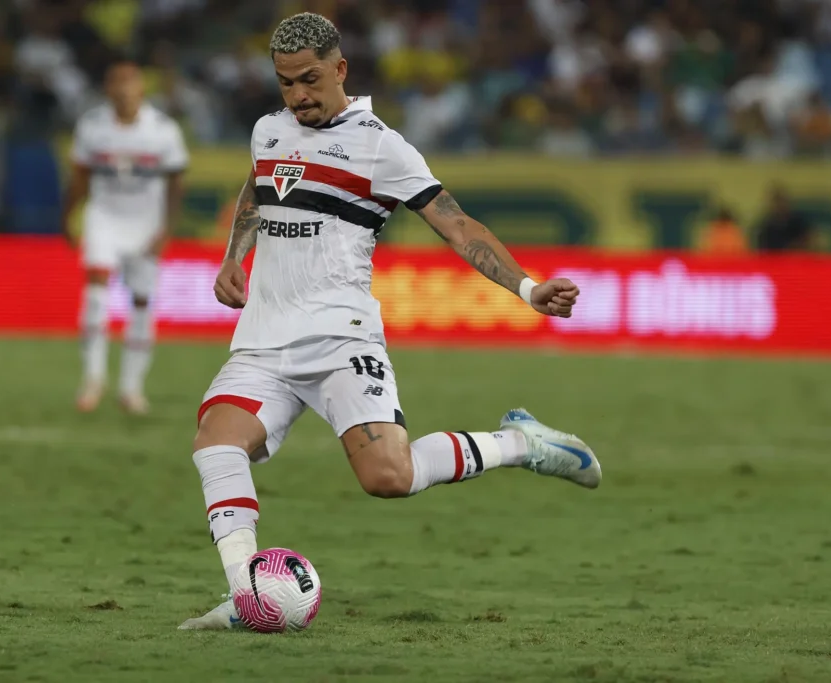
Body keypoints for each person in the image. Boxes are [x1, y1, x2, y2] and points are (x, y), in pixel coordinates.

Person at [179, 13, 601, 630]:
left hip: (339, 338)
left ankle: (521, 444)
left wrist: (528, 288)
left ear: (341, 69)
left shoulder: (381, 146)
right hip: (265, 339)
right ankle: (249, 595)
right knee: (216, 445)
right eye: (286, 83)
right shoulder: (269, 130)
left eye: (310, 79)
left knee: (389, 478)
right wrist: (233, 256)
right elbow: (258, 188)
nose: (298, 95)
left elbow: (457, 225)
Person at [63, 60, 188, 415]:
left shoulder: (162, 129)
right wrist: (67, 215)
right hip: (104, 215)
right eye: (115, 82)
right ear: (107, 89)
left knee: (142, 302)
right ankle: (93, 378)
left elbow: (176, 181)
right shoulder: (92, 126)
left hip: (146, 221)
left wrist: (167, 227)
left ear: (141, 88)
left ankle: (132, 387)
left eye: (128, 82)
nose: (122, 90)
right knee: (95, 289)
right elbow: (80, 176)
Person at [755, 184, 813, 251]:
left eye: (782, 201)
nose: (779, 206)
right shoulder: (766, 228)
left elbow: (808, 241)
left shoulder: (798, 223)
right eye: (776, 202)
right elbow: (763, 250)